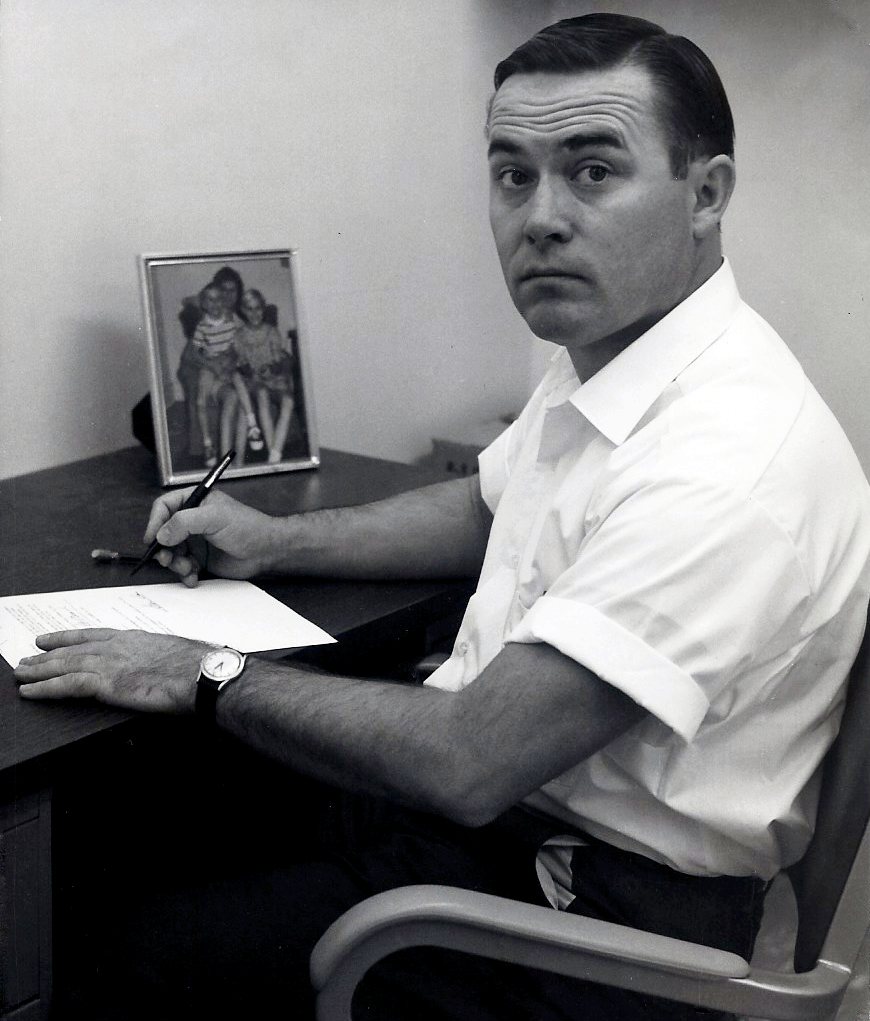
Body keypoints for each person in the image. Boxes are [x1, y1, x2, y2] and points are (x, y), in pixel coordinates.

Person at [14, 13, 870, 1021]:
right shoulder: (627, 350)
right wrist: (276, 541)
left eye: (592, 171)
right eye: (513, 175)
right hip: (507, 826)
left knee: (133, 949)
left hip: (594, 923)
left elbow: (470, 759)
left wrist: (198, 668)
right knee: (138, 837)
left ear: (707, 192)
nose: (541, 216)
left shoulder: (731, 462)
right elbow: (485, 503)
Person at [189, 282, 265, 465]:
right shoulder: (202, 326)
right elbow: (195, 351)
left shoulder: (231, 322)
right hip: (209, 367)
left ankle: (252, 425)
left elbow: (237, 344)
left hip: (229, 366)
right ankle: (208, 444)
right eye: (210, 300)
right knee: (200, 400)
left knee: (238, 379)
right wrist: (211, 363)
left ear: (224, 302)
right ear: (204, 304)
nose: (215, 304)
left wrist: (228, 360)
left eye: (219, 300)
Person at [235, 288, 297, 463]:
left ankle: (275, 453)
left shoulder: (272, 331)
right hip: (255, 382)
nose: (254, 313)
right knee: (262, 394)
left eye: (258, 308)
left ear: (263, 308)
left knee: (289, 401)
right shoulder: (239, 336)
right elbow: (242, 365)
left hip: (274, 381)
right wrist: (252, 370)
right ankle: (273, 456)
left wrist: (272, 369)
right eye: (249, 308)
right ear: (243, 311)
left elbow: (279, 361)